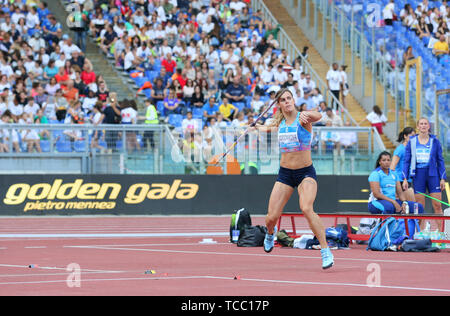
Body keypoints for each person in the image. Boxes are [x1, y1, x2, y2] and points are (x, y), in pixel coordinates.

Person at [257, 88, 334, 269]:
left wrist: (307, 113)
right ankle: (270, 233)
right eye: (283, 100)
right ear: (279, 104)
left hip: (305, 173)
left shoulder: (303, 119)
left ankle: (325, 250)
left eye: (289, 98)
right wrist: (253, 127)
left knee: (306, 208)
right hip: (285, 174)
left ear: (294, 100)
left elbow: (319, 115)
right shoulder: (280, 123)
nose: (287, 102)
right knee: (270, 218)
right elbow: (266, 128)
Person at [402, 117, 447, 230]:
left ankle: (443, 234)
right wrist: (405, 179)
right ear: (417, 126)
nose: (423, 125)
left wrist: (442, 178)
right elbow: (406, 161)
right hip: (418, 175)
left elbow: (440, 160)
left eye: (425, 124)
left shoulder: (435, 141)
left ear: (428, 126)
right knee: (420, 207)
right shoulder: (412, 141)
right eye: (421, 124)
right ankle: (420, 233)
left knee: (437, 205)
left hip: (433, 175)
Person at [368, 151, 423, 236]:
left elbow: (400, 193)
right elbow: (377, 194)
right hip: (376, 202)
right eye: (384, 160)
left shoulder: (394, 174)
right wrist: (394, 202)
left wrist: (404, 202)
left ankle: (413, 234)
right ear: (379, 162)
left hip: (392, 203)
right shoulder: (375, 174)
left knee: (418, 207)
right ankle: (386, 236)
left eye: (388, 160)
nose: (387, 162)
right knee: (390, 207)